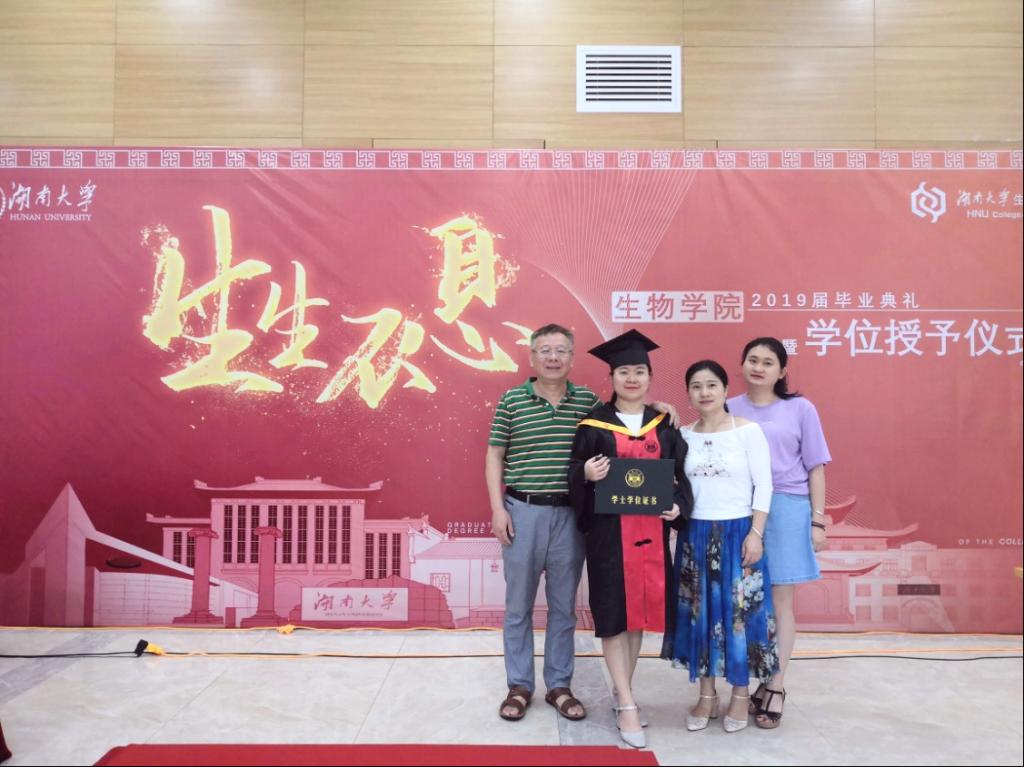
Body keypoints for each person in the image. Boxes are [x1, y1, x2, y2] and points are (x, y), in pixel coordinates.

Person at [486, 324, 678, 724]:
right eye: (545, 350)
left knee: (563, 606)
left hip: (571, 515)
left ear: (572, 358)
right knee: (518, 605)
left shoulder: (587, 402)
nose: (553, 357)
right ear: (532, 356)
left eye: (561, 350)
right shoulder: (512, 400)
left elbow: (627, 414)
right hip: (523, 510)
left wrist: (659, 407)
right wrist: (497, 509)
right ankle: (519, 685)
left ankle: (559, 684)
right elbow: (494, 455)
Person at [567, 330, 692, 749]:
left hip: (652, 536)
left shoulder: (665, 425)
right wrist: (586, 475)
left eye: (639, 371)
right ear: (612, 377)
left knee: (638, 616)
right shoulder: (593, 425)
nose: (632, 378)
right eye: (624, 372)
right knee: (613, 615)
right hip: (609, 538)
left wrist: (677, 507)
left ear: (650, 377)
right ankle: (626, 702)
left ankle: (624, 695)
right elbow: (574, 472)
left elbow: (680, 478)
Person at [663, 360, 779, 734]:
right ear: (688, 394)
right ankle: (707, 695)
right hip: (695, 536)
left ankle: (741, 695)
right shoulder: (683, 435)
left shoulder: (748, 432)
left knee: (740, 616)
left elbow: (764, 485)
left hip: (738, 533)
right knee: (700, 615)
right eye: (696, 386)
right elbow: (676, 486)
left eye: (712, 385)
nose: (705, 392)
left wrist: (755, 533)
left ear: (726, 390)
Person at [727, 337, 831, 729]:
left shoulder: (801, 409)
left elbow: (816, 467)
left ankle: (775, 684)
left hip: (787, 507)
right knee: (745, 601)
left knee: (781, 601)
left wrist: (817, 520)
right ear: (742, 365)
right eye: (752, 359)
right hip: (741, 509)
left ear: (782, 370)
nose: (758, 367)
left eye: (768, 362)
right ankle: (746, 681)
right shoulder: (728, 407)